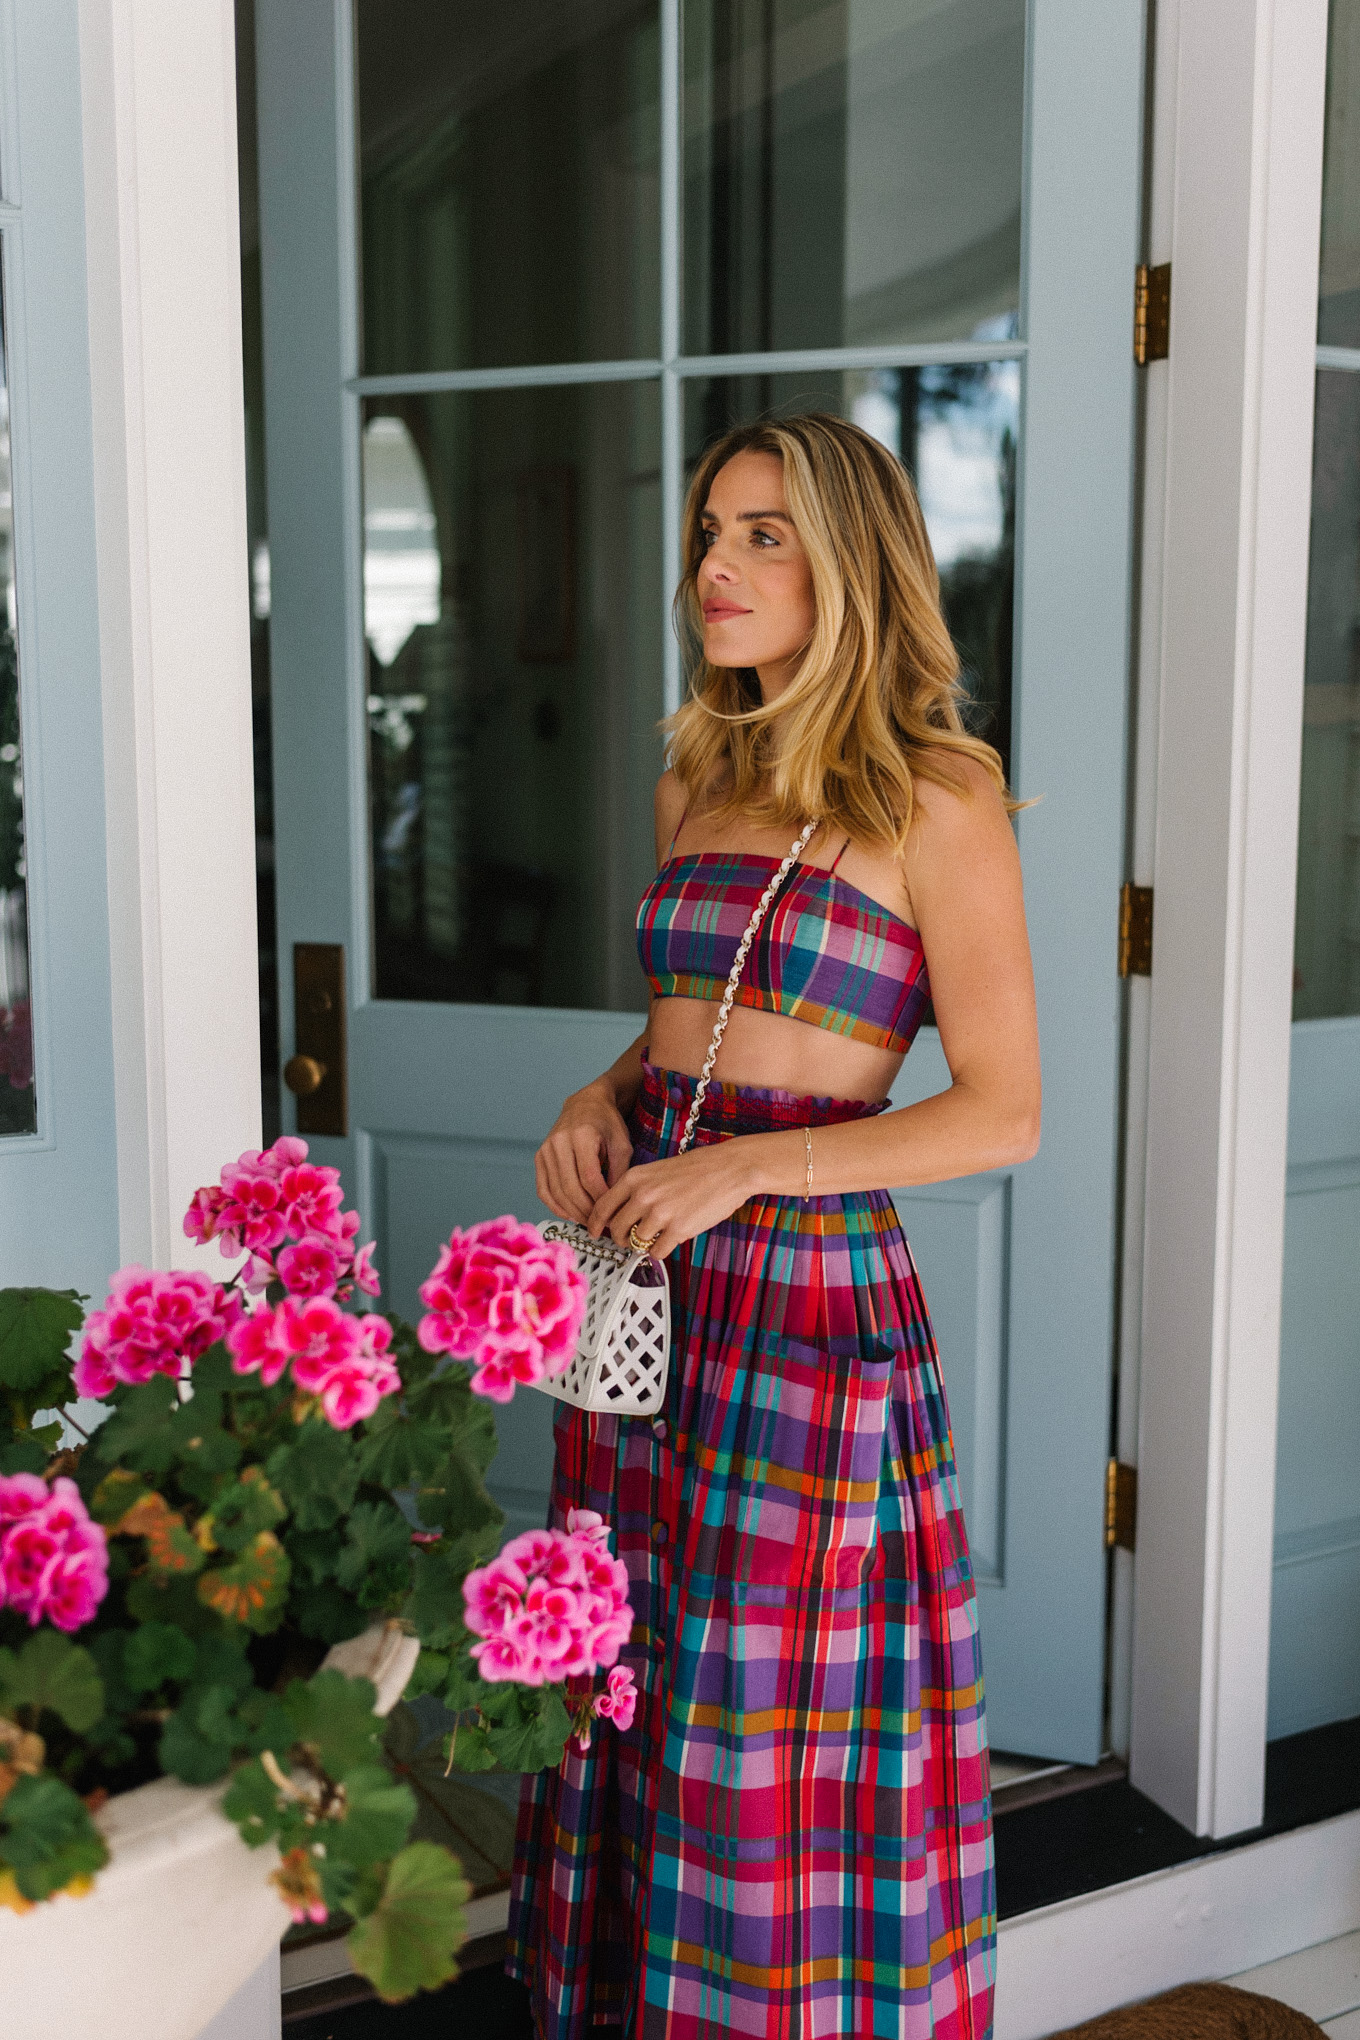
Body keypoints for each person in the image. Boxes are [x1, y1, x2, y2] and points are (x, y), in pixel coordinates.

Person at [507, 412, 1040, 2040]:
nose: (714, 571)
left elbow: (1004, 1108)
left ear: (853, 561)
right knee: (625, 1673)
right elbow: (693, 1016)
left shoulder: (939, 800)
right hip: (645, 1277)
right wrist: (605, 1096)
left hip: (807, 1312)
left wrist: (742, 1170)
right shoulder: (702, 776)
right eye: (708, 533)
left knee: (766, 1718)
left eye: (763, 535)